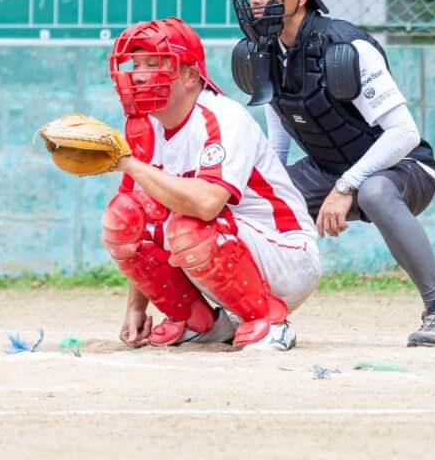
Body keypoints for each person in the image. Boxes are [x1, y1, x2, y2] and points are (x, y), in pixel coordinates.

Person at [229, 0, 435, 346]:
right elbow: (277, 146)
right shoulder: (264, 53)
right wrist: (265, 192)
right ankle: (248, 311)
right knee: (254, 200)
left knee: (376, 193)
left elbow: (403, 133)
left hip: (402, 167)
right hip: (327, 169)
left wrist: (347, 186)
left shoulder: (344, 46)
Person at [102, 17, 320, 351]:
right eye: (135, 64)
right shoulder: (143, 128)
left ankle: (268, 321)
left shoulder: (221, 117)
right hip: (223, 248)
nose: (140, 74)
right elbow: (144, 223)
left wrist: (130, 164)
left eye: (155, 63)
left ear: (191, 75)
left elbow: (207, 204)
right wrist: (136, 308)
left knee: (189, 222)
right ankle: (197, 320)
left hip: (285, 256)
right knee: (125, 215)